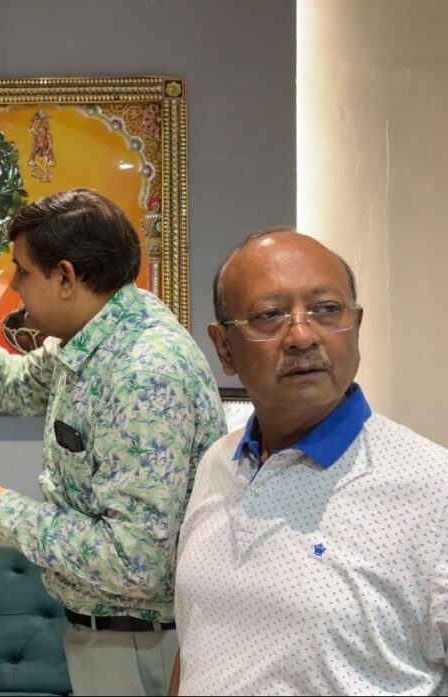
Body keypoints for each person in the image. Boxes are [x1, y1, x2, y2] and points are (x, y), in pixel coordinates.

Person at [0, 188, 224, 696]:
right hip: (108, 636)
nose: (14, 285)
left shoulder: (144, 372)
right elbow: (16, 386)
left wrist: (3, 511)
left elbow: (136, 561)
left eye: (22, 271)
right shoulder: (93, 337)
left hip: (141, 644)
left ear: (65, 277)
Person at [170, 228, 448, 695]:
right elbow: (199, 642)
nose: (301, 336)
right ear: (224, 347)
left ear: (356, 326)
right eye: (270, 315)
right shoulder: (217, 464)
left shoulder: (433, 488)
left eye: (326, 310)